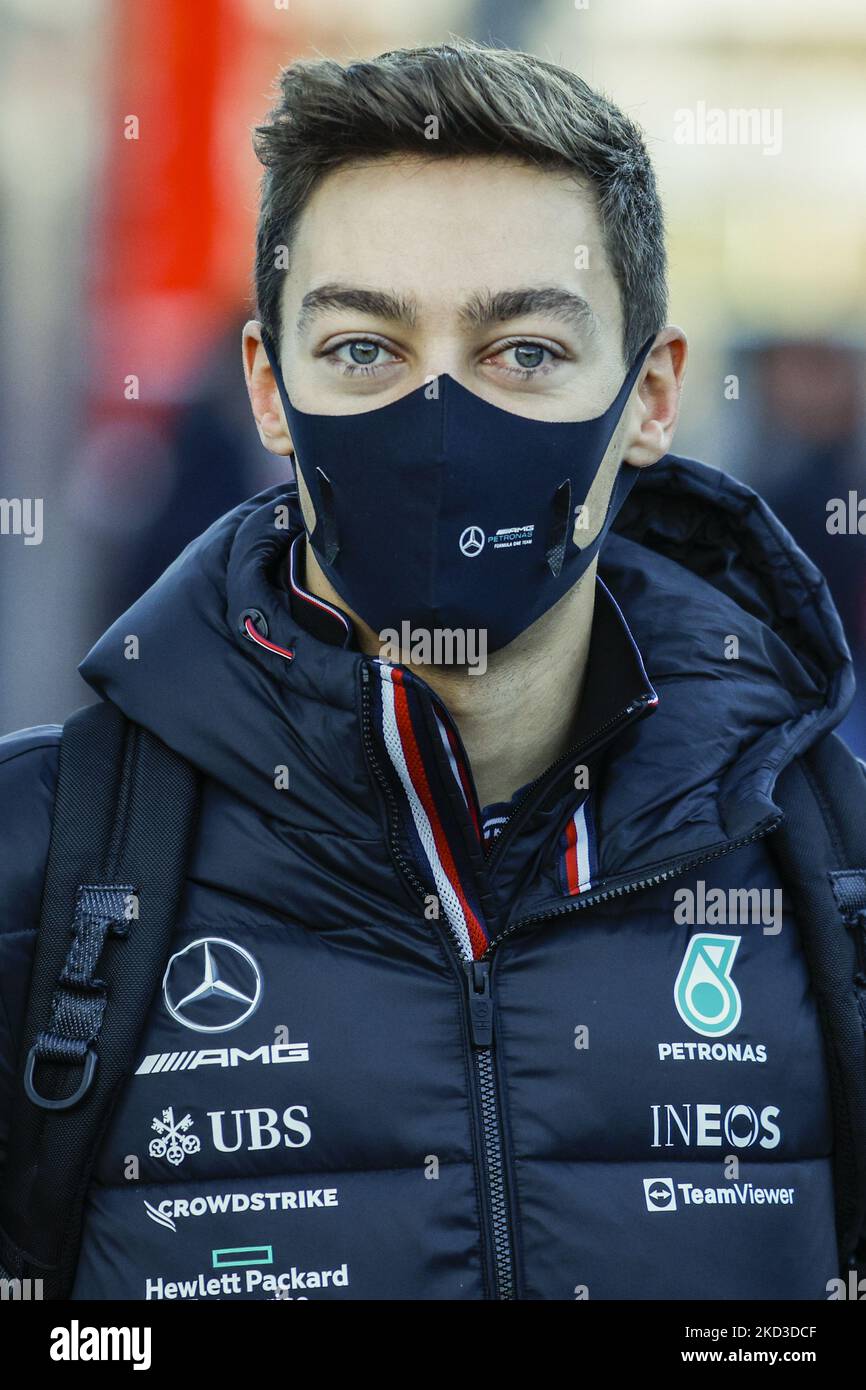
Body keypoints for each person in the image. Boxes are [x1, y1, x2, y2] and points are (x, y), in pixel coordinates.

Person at [0, 40, 861, 1302]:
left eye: (523, 351)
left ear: (650, 397)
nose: (440, 425)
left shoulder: (832, 867)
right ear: (268, 389)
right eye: (362, 348)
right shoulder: (39, 863)